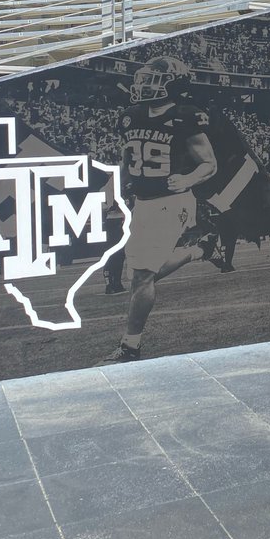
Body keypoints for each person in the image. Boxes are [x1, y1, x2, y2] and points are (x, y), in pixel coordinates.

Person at [100, 56, 224, 364]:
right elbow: (126, 160)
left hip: (171, 201)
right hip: (142, 202)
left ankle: (130, 346)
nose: (145, 84)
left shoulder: (186, 117)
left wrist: (188, 178)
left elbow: (209, 163)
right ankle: (199, 251)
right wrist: (117, 190)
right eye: (145, 78)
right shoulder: (130, 115)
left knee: (141, 276)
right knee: (139, 275)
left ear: (173, 84)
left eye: (154, 78)